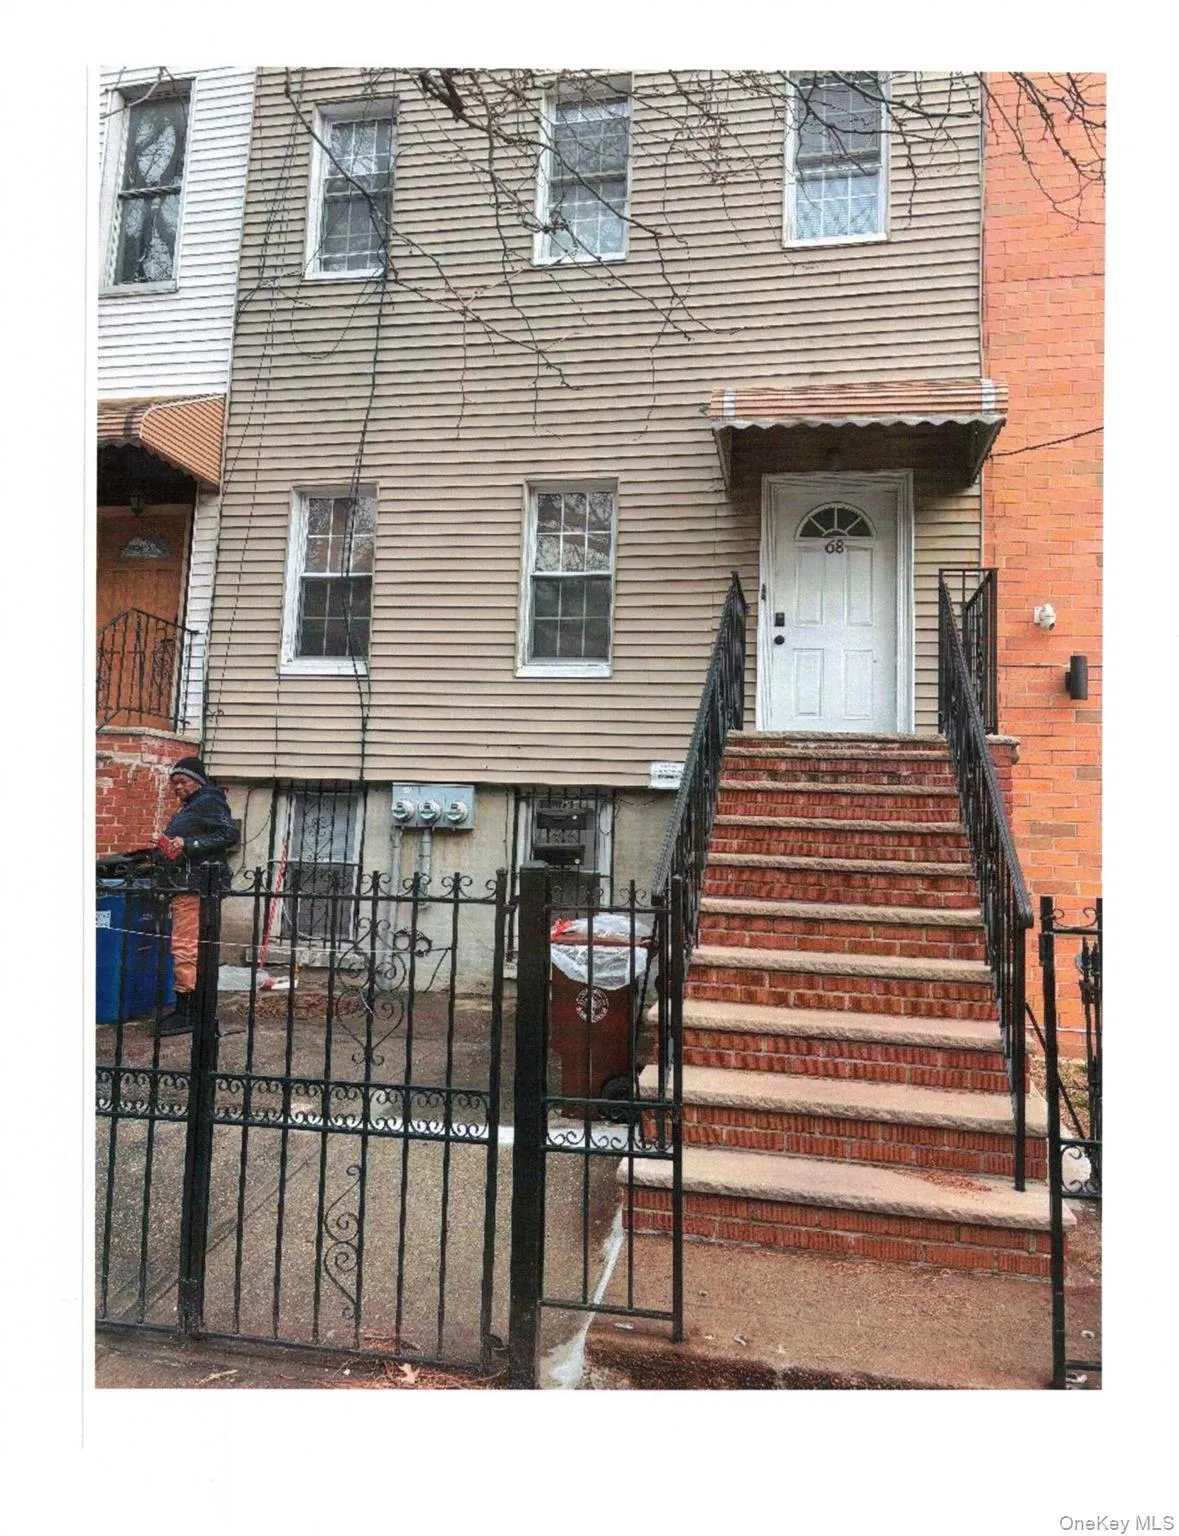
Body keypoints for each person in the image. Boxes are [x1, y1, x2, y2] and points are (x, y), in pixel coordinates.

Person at [153, 755, 240, 1036]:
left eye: (182, 781)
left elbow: (230, 835)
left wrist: (188, 844)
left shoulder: (208, 801)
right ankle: (193, 1006)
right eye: (174, 783)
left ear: (197, 781)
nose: (177, 787)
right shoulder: (194, 805)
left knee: (185, 946)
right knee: (194, 946)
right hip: (190, 882)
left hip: (195, 885)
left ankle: (187, 1011)